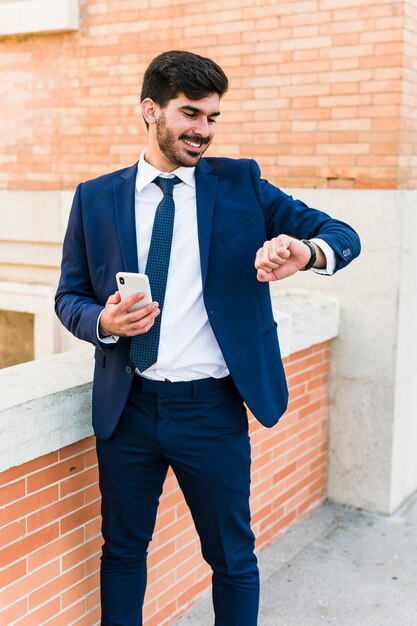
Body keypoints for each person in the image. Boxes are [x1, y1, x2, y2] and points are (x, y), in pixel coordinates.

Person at [55, 50, 360, 626]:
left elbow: (340, 234)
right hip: (129, 408)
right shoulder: (95, 198)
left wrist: (306, 252)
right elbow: (67, 296)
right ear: (151, 110)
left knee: (231, 558)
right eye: (191, 114)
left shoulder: (240, 184)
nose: (204, 130)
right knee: (121, 552)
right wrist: (103, 323)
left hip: (211, 410)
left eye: (213, 117)